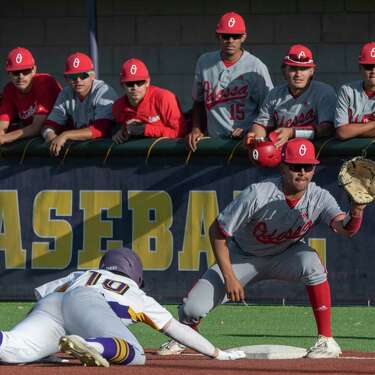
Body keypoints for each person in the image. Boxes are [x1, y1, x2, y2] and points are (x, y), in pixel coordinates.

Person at [158, 138, 367, 358]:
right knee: (192, 309)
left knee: (311, 262)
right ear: (283, 166)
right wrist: (229, 276)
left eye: (308, 166)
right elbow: (217, 232)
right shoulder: (258, 194)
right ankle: (184, 334)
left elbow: (345, 229)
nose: (302, 172)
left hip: (285, 255)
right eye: (296, 166)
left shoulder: (319, 197)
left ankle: (326, 340)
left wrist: (357, 210)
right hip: (243, 256)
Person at [0, 248, 245, 366]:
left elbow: (43, 297)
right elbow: (176, 329)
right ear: (135, 274)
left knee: (12, 349)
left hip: (54, 304)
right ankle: (93, 345)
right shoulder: (135, 292)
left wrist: (43, 345)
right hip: (88, 304)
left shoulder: (83, 273)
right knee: (134, 353)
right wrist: (216, 353)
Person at [186, 11, 273, 151]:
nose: (230, 40)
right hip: (212, 141)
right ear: (218, 36)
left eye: (236, 36)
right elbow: (198, 101)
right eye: (226, 36)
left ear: (243, 37)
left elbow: (268, 110)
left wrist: (252, 129)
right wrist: (196, 128)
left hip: (245, 144)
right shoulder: (204, 62)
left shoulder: (256, 67)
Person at [247, 44, 336, 148]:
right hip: (282, 153)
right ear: (284, 70)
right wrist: (255, 136)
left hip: (317, 154)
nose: (298, 74)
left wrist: (292, 132)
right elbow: (261, 125)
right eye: (293, 68)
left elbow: (327, 129)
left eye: (304, 69)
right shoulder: (274, 94)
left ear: (312, 71)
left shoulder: (324, 92)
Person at [42, 52, 118, 156]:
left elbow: (100, 130)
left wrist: (65, 135)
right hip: (82, 154)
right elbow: (49, 125)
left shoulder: (104, 91)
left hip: (108, 153)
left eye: (83, 75)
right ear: (66, 78)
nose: (78, 80)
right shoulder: (65, 93)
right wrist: (50, 136)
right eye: (73, 76)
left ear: (92, 76)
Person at [111, 58, 185, 143]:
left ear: (147, 82)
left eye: (139, 82)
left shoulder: (165, 98)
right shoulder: (117, 106)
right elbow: (116, 130)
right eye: (129, 83)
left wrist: (145, 129)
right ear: (122, 84)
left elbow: (180, 132)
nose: (135, 88)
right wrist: (120, 132)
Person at [0, 47, 61, 145]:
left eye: (25, 71)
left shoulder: (45, 82)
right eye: (15, 72)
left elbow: (37, 127)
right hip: (36, 137)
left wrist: (4, 138)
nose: (21, 76)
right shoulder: (9, 89)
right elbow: (2, 125)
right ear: (9, 74)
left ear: (34, 70)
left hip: (61, 133)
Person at [335, 42, 375, 140]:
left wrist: (353, 130)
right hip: (348, 154)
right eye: (368, 66)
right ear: (360, 68)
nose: (373, 70)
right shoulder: (347, 90)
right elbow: (342, 132)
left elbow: (346, 132)